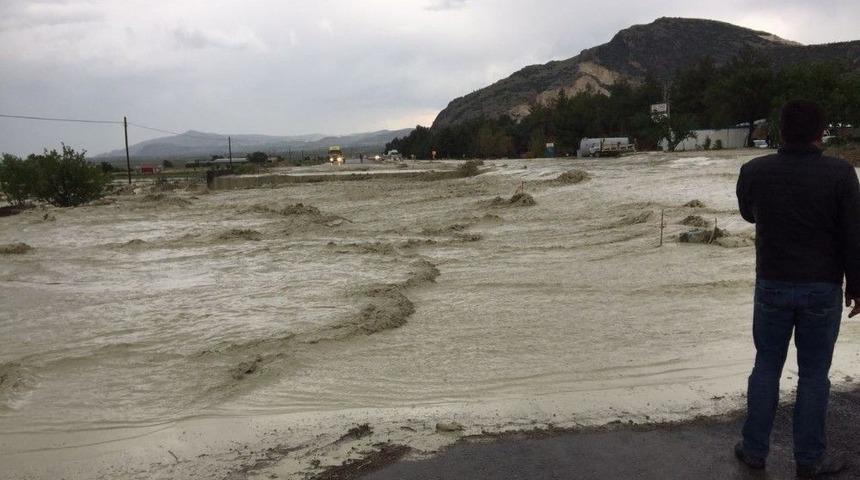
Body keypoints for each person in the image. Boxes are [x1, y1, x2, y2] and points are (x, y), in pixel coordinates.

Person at [734, 99, 860, 478]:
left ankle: (754, 450)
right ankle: (809, 459)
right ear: (821, 133)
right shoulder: (841, 174)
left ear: (779, 130)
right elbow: (854, 233)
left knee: (766, 367)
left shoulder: (754, 170)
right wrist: (856, 285)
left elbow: (748, 213)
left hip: (771, 284)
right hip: (822, 287)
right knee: (814, 374)